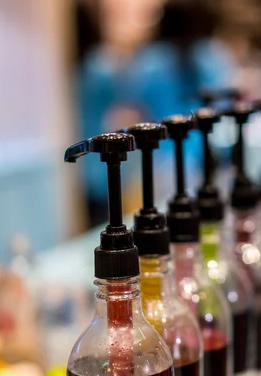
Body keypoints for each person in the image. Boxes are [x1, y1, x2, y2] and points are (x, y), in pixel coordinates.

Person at [76, 0, 236, 226]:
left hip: (159, 159)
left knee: (163, 222)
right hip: (204, 157)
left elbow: (132, 107)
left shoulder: (149, 61)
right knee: (205, 223)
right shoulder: (213, 56)